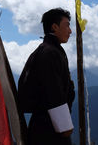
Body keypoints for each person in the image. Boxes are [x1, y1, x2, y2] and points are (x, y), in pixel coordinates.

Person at [18, 8, 75, 145]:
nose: (70, 30)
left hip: (44, 124)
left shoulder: (47, 50)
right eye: (67, 25)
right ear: (54, 27)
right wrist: (64, 126)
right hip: (49, 130)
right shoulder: (49, 53)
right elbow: (53, 91)